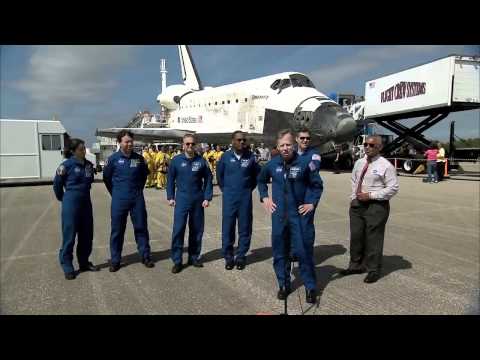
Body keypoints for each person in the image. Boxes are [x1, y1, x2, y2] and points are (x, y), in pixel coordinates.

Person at [257, 129, 324, 304]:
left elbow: (316, 185)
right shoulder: (272, 165)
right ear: (277, 147)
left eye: (288, 145)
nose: (285, 148)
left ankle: (310, 287)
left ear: (293, 145)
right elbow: (261, 180)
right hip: (279, 216)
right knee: (280, 252)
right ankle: (283, 284)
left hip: (298, 216)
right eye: (282, 145)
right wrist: (265, 197)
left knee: (303, 252)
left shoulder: (304, 163)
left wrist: (311, 203)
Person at [340, 135, 399, 283]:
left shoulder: (386, 166)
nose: (367, 147)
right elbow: (354, 180)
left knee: (373, 238)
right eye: (366, 144)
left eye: (372, 145)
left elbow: (393, 188)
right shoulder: (359, 163)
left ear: (379, 147)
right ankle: (355, 265)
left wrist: (371, 195)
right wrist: (354, 196)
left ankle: (373, 269)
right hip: (358, 204)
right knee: (356, 236)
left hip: (376, 206)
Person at [103, 130, 154, 272]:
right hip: (119, 199)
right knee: (117, 230)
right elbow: (107, 179)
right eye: (127, 141)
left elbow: (144, 176)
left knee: (141, 227)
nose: (130, 144)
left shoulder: (139, 159)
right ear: (119, 143)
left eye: (131, 141)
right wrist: (116, 193)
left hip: (137, 198)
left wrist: (137, 190)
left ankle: (145, 256)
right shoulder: (112, 159)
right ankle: (115, 260)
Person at [53, 139, 99, 280]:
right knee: (70, 235)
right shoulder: (65, 166)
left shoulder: (89, 166)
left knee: (86, 235)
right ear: (73, 151)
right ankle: (67, 265)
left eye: (84, 148)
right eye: (81, 149)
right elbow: (57, 186)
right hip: (71, 203)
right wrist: (65, 200)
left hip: (86, 203)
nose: (84, 151)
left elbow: (89, 182)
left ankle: (84, 262)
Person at [167, 134, 213, 274]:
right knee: (178, 229)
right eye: (187, 144)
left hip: (197, 199)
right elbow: (170, 179)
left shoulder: (201, 161)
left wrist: (207, 197)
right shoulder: (175, 161)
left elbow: (208, 178)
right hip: (181, 198)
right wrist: (170, 196)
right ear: (183, 145)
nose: (190, 146)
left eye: (192, 144)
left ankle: (194, 257)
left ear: (195, 145)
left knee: (197, 230)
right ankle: (177, 260)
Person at [216, 131, 261, 270]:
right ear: (233, 141)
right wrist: (227, 190)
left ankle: (241, 256)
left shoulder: (251, 157)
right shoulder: (225, 157)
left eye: (244, 140)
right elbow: (220, 177)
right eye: (239, 140)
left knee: (245, 227)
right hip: (229, 197)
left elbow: (256, 177)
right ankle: (228, 257)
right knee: (228, 227)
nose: (242, 142)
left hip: (245, 197)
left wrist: (247, 190)